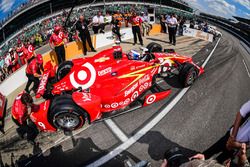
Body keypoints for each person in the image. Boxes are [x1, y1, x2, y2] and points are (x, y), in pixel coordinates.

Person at [203, 100, 250, 165]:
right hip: (231, 136)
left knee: (218, 163)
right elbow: (241, 113)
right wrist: (232, 138)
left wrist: (238, 145)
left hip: (237, 147)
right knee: (208, 153)